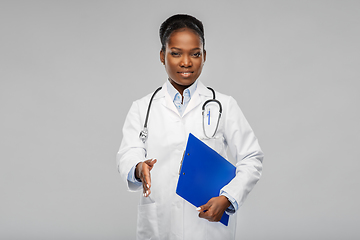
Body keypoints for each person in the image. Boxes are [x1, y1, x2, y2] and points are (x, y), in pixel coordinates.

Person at [116, 14, 264, 240]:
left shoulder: (224, 104)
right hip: (159, 223)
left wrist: (227, 198)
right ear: (162, 56)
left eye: (195, 54)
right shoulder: (142, 107)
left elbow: (252, 157)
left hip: (207, 225)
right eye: (175, 53)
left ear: (204, 56)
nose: (186, 62)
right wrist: (138, 167)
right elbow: (129, 152)